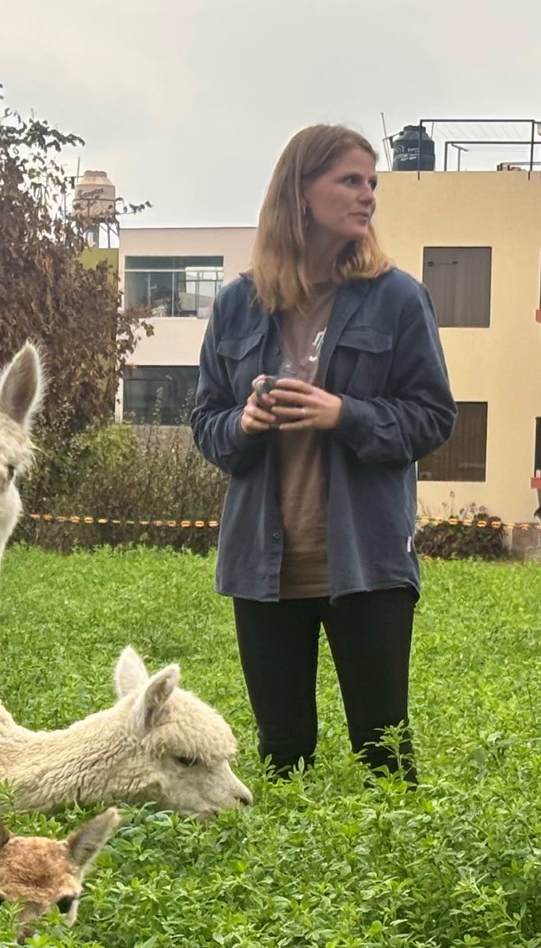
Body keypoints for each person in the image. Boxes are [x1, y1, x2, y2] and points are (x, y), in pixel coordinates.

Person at [190, 124, 456, 785]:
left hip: (367, 563)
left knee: (384, 754)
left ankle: (403, 882)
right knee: (282, 756)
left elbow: (434, 417)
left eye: (372, 183)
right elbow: (204, 419)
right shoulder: (237, 307)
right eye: (350, 180)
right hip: (262, 567)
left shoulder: (398, 298)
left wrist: (346, 414)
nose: (367, 195)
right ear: (300, 193)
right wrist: (244, 422)